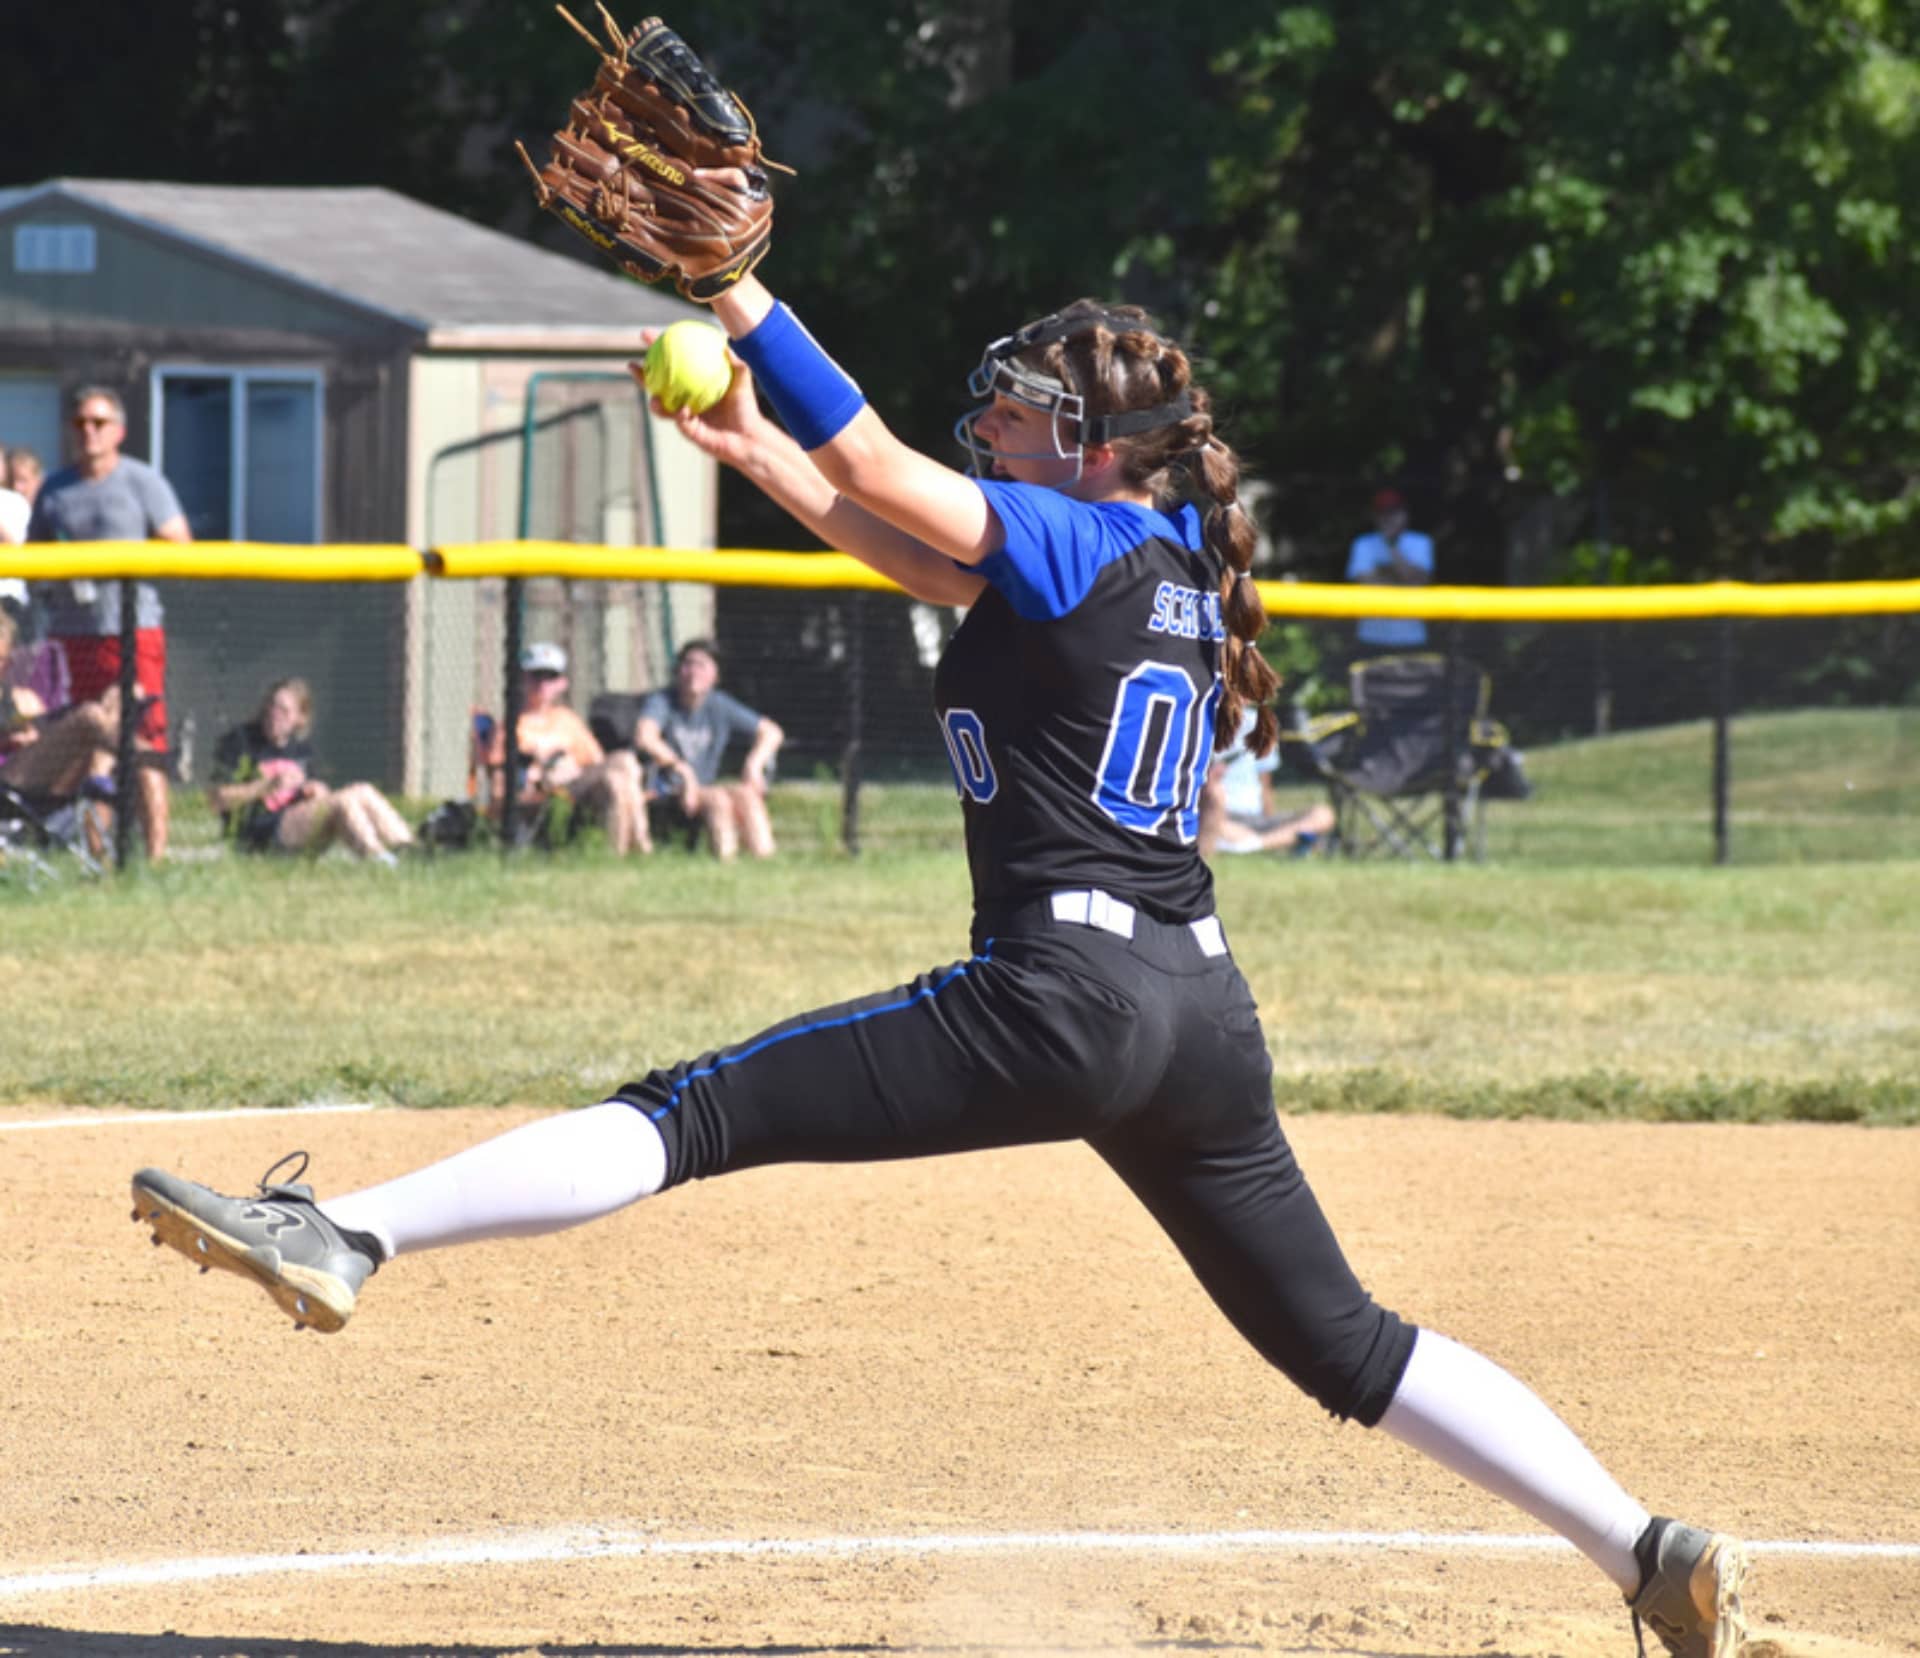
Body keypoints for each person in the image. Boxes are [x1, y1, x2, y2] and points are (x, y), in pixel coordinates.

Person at [129, 153, 1747, 1658]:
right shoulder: (1159, 549)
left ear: (1094, 448)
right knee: (1350, 1343)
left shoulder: (1066, 530)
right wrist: (752, 444)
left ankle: (343, 1230)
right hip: (1199, 1014)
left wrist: (749, 297)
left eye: (1027, 407)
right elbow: (888, 524)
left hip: (1062, 996)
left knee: (691, 1111)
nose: (995, 417)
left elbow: (879, 464)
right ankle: (1643, 1546)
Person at [27, 387, 191, 861]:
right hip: (73, 633)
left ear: (118, 431)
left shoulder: (142, 482)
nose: (88, 433)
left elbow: (180, 543)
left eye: (98, 423)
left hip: (132, 632)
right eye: (80, 424)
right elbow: (35, 557)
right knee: (86, 739)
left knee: (143, 739)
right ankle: (96, 852)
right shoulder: (55, 489)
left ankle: (155, 856)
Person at [208, 678, 414, 865]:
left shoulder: (301, 750)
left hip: (297, 825)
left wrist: (316, 791)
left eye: (284, 711)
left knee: (362, 791)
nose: (274, 715)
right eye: (271, 706)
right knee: (341, 802)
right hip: (259, 834)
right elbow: (217, 799)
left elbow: (317, 796)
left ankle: (410, 851)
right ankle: (379, 860)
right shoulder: (241, 741)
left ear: (300, 719)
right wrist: (266, 785)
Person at [484, 642, 651, 855]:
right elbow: (499, 785)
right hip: (547, 788)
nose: (542, 684)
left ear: (562, 683)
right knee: (622, 767)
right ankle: (642, 848)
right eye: (536, 676)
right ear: (522, 679)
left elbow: (596, 760)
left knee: (619, 776)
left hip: (578, 782)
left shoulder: (567, 719)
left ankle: (618, 854)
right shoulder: (510, 726)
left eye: (550, 677)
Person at [633, 637, 783, 859]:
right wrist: (683, 771)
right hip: (668, 789)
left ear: (715, 675)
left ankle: (765, 860)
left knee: (746, 795)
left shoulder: (720, 705)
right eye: (687, 664)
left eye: (702, 665)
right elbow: (644, 735)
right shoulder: (662, 701)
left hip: (705, 787)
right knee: (718, 799)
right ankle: (726, 861)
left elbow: (772, 732)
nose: (693, 671)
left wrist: (754, 765)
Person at [1198, 708, 1334, 859]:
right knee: (1214, 802)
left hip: (1256, 817)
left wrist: (1268, 817)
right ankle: (1276, 842)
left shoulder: (1259, 723)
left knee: (1323, 814)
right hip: (1219, 815)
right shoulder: (1200, 720)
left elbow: (1265, 782)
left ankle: (1255, 843)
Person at [1345, 487, 1433, 655]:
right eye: (1383, 513)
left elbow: (1419, 581)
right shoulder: (1363, 544)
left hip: (1411, 638)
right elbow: (1365, 584)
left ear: (1404, 514)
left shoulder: (1421, 542)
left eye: (1393, 512)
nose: (1388, 519)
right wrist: (1403, 582)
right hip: (1371, 637)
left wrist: (1391, 547)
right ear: (1375, 516)